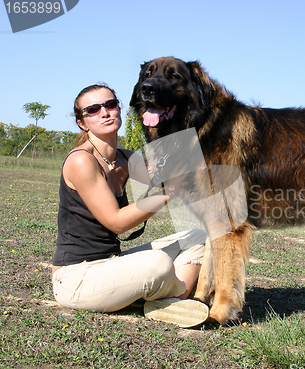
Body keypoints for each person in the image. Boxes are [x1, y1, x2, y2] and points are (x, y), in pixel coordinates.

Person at [51, 83, 209, 328]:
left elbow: (170, 172)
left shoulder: (126, 158)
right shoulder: (81, 160)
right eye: (92, 110)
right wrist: (170, 192)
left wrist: (180, 124)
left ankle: (171, 297)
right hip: (76, 278)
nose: (105, 112)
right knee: (158, 264)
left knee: (197, 236)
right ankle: (173, 294)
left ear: (119, 110)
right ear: (82, 123)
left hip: (112, 262)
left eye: (110, 104)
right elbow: (116, 222)